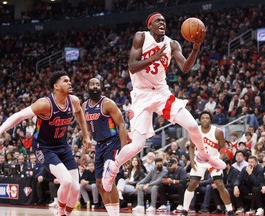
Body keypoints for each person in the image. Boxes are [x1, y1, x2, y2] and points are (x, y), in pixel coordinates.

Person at [102, 12, 226, 193]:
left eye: (164, 21)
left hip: (161, 93)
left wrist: (196, 48)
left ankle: (202, 155)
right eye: (158, 21)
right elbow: (132, 66)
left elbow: (184, 68)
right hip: (141, 95)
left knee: (192, 125)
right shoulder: (141, 37)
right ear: (150, 25)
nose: (162, 23)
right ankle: (112, 168)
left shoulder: (172, 44)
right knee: (137, 145)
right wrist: (153, 58)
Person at [0, 71, 91, 216]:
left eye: (69, 80)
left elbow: (80, 112)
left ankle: (66, 214)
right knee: (67, 181)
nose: (70, 83)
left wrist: (86, 136)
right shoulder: (45, 104)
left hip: (63, 146)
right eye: (65, 81)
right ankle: (61, 212)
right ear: (56, 86)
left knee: (75, 188)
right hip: (44, 148)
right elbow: (18, 116)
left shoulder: (73, 100)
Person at [82, 78, 127, 216]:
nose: (95, 86)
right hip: (99, 145)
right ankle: (110, 212)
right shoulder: (85, 106)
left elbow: (122, 125)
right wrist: (86, 147)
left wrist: (124, 150)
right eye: (92, 84)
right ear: (87, 87)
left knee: (109, 179)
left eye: (97, 84)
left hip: (112, 143)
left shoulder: (107, 103)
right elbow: (89, 129)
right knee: (99, 182)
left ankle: (115, 214)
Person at [181, 111, 234, 216]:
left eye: (207, 118)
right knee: (192, 184)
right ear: (200, 120)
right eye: (203, 118)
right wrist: (191, 161)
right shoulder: (195, 131)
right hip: (200, 160)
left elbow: (223, 148)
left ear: (210, 120)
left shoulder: (217, 132)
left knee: (220, 184)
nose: (205, 119)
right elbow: (191, 146)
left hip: (213, 159)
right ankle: (184, 210)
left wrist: (220, 161)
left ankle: (230, 210)